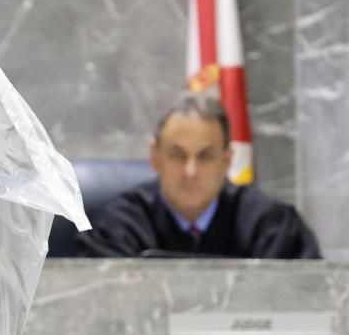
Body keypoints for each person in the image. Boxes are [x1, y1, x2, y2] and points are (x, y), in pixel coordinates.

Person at [74, 92, 321, 258]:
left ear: (227, 160)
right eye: (177, 154)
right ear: (155, 156)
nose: (190, 171)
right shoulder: (119, 226)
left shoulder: (271, 226)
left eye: (205, 156)